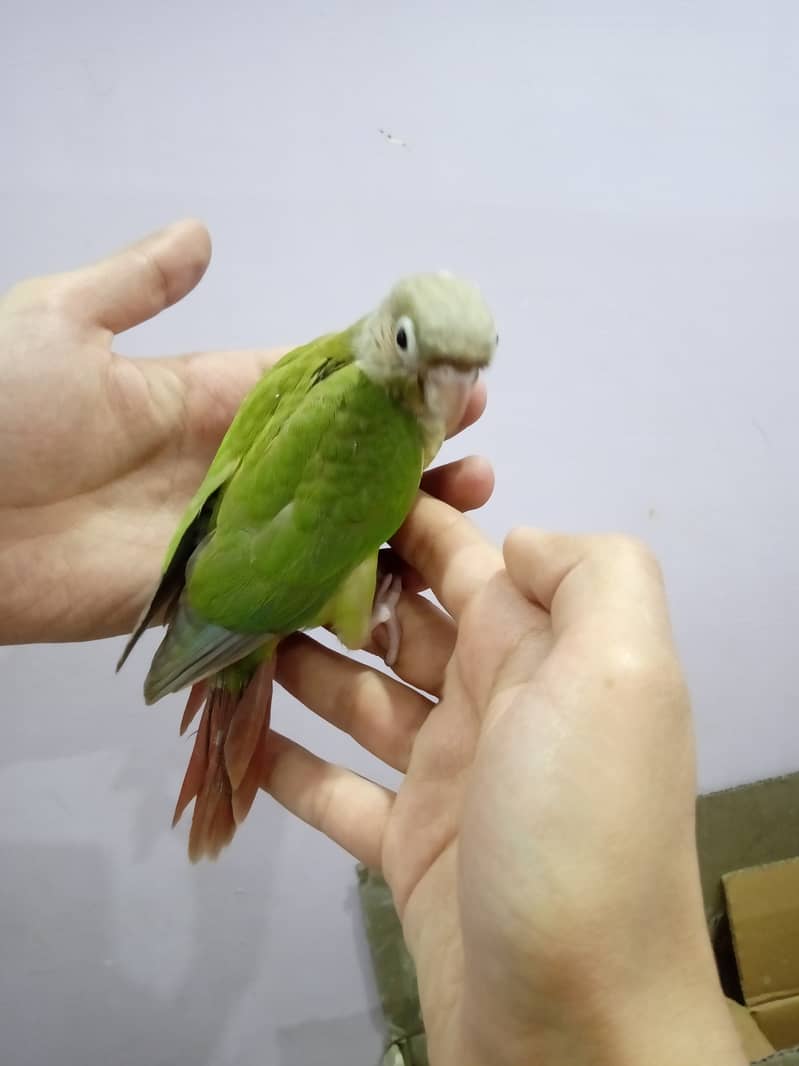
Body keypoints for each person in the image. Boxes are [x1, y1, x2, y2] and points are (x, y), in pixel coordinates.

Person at [0, 222, 748, 1065]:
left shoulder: (340, 379)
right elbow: (320, 568)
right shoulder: (375, 427)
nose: (446, 384)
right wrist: (370, 600)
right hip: (251, 599)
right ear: (386, 329)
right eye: (414, 348)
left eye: (472, 363)